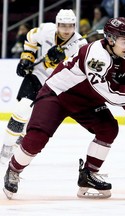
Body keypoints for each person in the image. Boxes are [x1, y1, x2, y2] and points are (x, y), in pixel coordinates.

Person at [2, 17, 125, 200]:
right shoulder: (96, 55)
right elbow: (110, 93)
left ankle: (88, 175)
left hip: (86, 100)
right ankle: (14, 169)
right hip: (58, 94)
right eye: (123, 40)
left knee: (108, 128)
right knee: (37, 137)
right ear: (110, 39)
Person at [0, 9, 88, 164]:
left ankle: (21, 141)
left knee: (36, 120)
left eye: (70, 26)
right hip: (37, 76)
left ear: (74, 25)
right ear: (57, 24)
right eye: (63, 25)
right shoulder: (46, 30)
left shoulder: (81, 45)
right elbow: (30, 38)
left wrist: (62, 61)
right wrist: (27, 58)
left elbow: (78, 73)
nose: (66, 30)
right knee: (22, 109)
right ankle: (6, 148)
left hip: (56, 85)